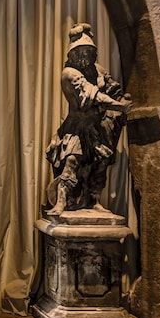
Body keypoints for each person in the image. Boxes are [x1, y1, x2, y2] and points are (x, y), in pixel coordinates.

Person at [45, 23, 132, 216]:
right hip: (77, 125)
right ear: (73, 55)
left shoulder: (98, 70)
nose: (84, 56)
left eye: (88, 52)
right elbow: (94, 96)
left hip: (97, 126)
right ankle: (61, 201)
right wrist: (119, 106)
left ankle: (94, 200)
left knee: (101, 162)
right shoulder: (69, 73)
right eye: (80, 52)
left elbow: (112, 88)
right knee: (72, 159)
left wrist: (121, 99)